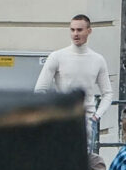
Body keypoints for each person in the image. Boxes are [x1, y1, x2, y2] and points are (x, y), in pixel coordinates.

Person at [35, 13, 115, 144]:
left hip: (86, 120)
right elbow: (40, 89)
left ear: (89, 31)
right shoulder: (57, 56)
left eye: (79, 30)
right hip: (62, 119)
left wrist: (96, 116)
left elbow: (107, 93)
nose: (75, 34)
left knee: (84, 161)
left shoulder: (98, 59)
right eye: (72, 30)